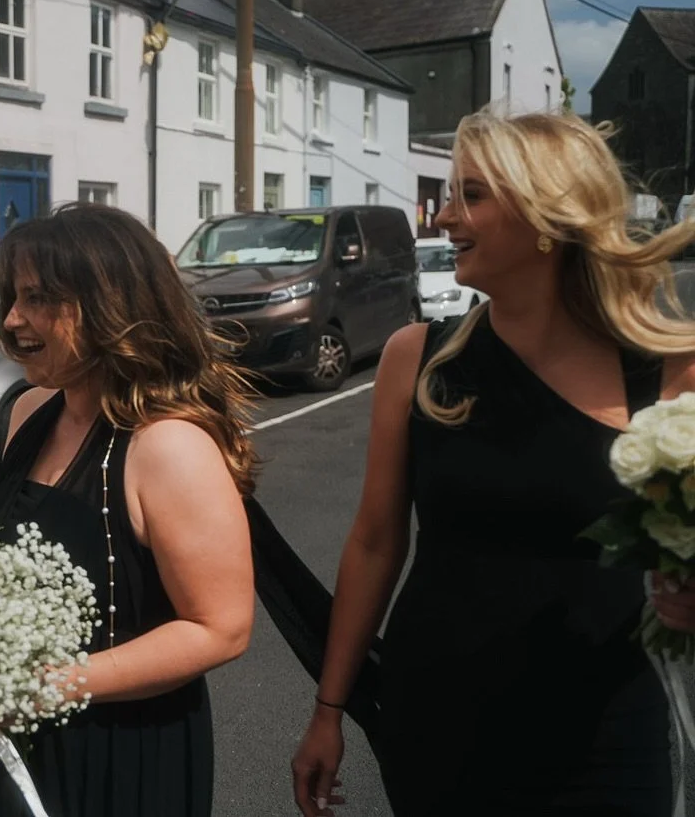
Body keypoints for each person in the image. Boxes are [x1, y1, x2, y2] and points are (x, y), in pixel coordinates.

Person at [292, 109, 695, 817]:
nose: (446, 217)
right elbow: (376, 542)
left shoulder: (666, 370)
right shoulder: (416, 359)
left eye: (471, 195)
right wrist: (330, 707)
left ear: (547, 214)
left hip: (605, 732)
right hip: (440, 725)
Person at [0, 202, 256, 817]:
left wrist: (54, 686)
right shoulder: (28, 414)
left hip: (120, 752)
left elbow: (221, 628)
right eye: (12, 296)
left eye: (38, 298)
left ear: (109, 305)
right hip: (14, 740)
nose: (12, 319)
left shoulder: (167, 446)